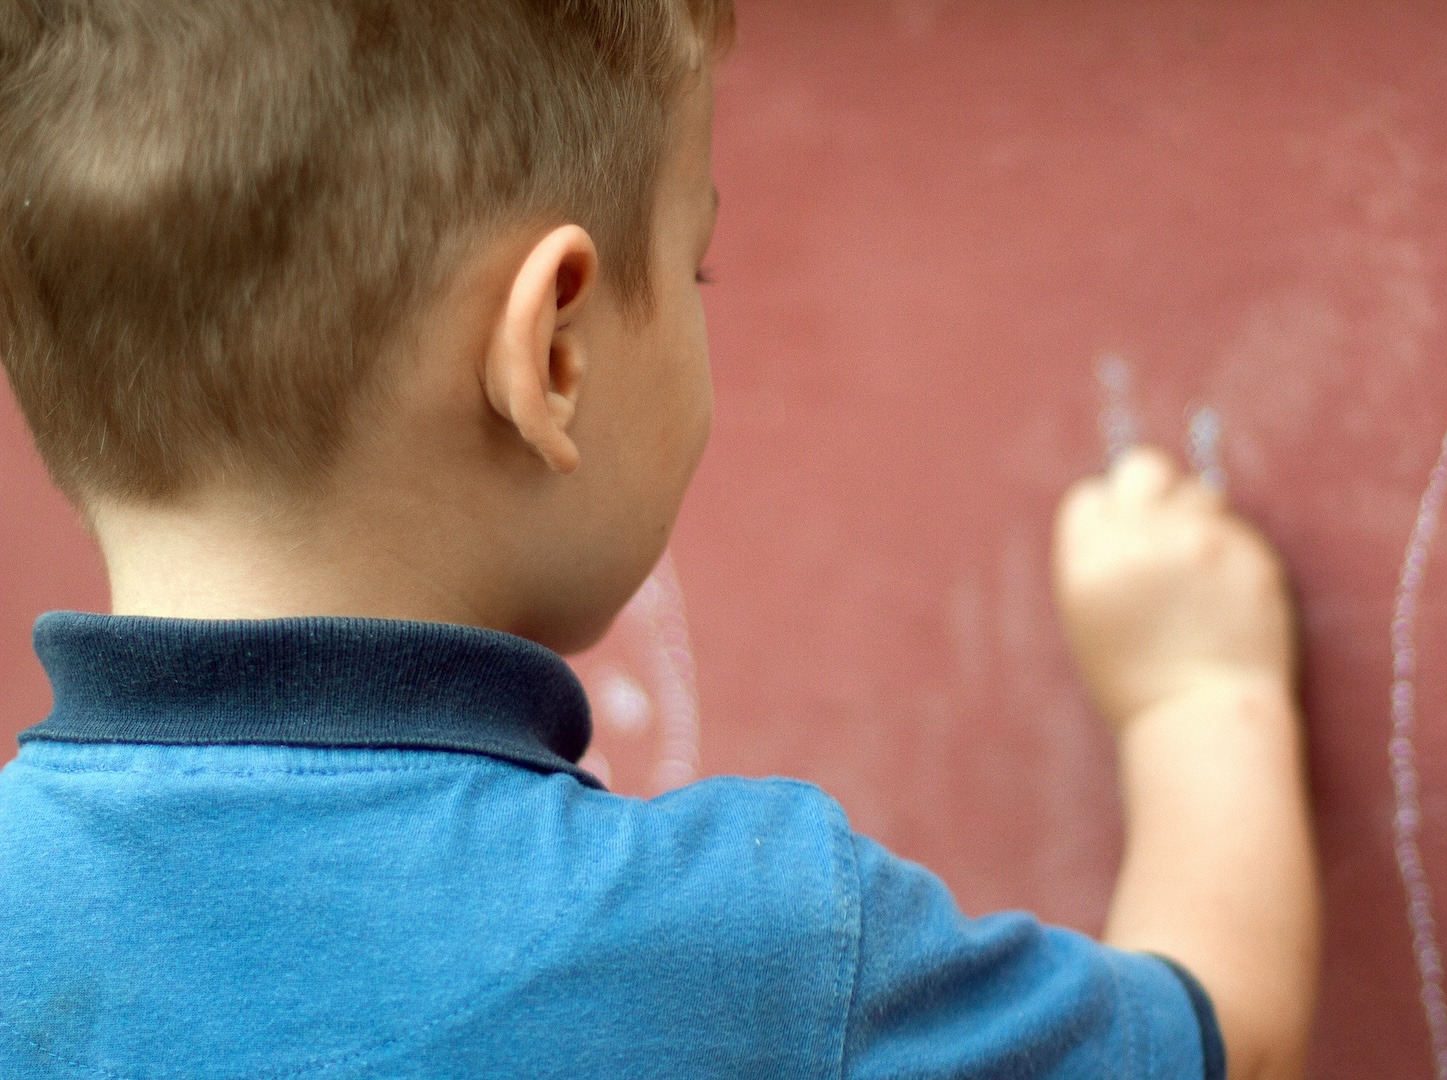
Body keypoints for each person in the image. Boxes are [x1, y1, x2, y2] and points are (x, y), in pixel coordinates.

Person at [0, 1, 1319, 1077]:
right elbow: (1224, 1043)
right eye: (697, 268)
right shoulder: (756, 951)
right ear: (555, 350)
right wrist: (1200, 700)